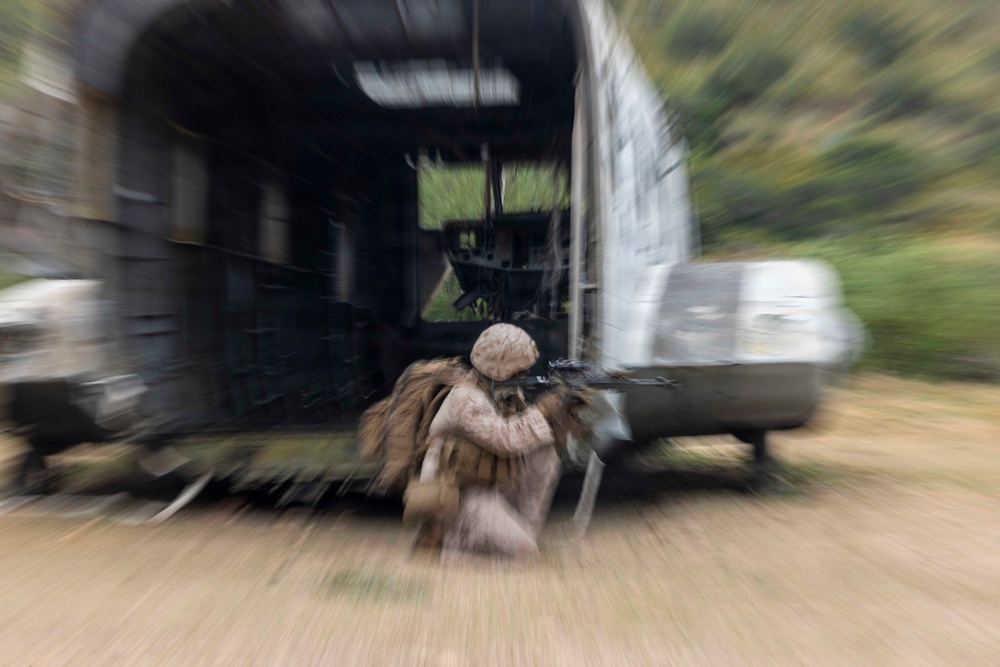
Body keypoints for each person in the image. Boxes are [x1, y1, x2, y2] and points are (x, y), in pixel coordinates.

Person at [409, 323, 582, 559]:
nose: (525, 375)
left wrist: (564, 413)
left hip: (485, 484)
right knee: (524, 553)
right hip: (458, 493)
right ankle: (452, 547)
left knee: (545, 450)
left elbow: (528, 435)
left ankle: (520, 528)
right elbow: (505, 438)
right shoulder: (465, 399)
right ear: (500, 366)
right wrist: (542, 409)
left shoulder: (501, 391)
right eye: (520, 370)